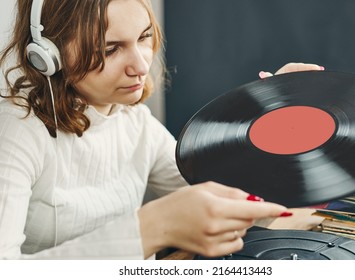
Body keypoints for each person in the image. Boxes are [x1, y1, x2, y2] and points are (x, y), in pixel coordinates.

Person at [0, 0, 323, 260]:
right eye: (109, 49)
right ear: (48, 56)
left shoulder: (134, 121)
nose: (140, 65)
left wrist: (272, 124)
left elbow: (227, 198)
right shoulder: (15, 131)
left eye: (143, 38)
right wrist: (151, 229)